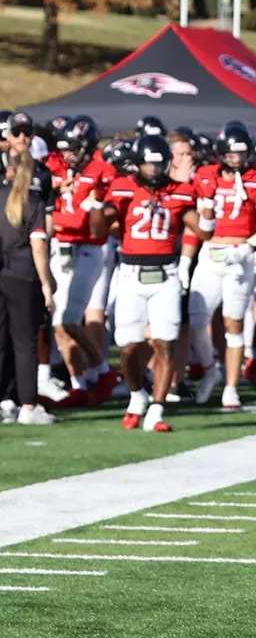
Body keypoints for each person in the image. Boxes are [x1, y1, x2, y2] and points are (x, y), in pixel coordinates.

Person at [102, 135, 201, 433]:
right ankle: (136, 394)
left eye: (159, 164)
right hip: (131, 273)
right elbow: (99, 227)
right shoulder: (123, 187)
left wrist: (205, 205)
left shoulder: (181, 192)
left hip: (166, 273)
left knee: (163, 343)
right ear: (138, 164)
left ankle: (156, 411)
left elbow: (203, 230)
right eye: (149, 164)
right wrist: (100, 207)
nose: (155, 170)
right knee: (128, 346)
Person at [187, 122, 256, 411]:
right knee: (197, 320)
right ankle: (210, 369)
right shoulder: (204, 176)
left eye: (241, 154)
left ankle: (231, 387)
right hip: (210, 253)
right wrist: (186, 257)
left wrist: (246, 249)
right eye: (231, 154)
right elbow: (199, 224)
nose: (236, 160)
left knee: (233, 322)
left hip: (240, 257)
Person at [45, 117, 116, 405]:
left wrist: (58, 220)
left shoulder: (103, 170)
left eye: (73, 148)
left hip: (87, 251)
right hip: (60, 249)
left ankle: (102, 370)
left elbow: (87, 224)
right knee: (59, 323)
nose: (67, 155)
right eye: (65, 149)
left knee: (70, 320)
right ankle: (79, 383)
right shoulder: (56, 167)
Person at [0, 145, 58, 425]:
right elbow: (38, 248)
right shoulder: (33, 202)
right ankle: (27, 405)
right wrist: (47, 285)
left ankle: (5, 400)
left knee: (1, 341)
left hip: (3, 273)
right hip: (23, 277)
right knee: (25, 343)